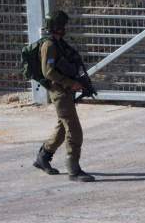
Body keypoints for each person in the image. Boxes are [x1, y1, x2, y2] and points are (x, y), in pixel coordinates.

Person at [32, 10, 95, 182]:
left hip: (65, 90)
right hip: (59, 91)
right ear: (57, 26)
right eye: (62, 25)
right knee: (74, 130)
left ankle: (43, 157)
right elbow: (48, 72)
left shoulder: (59, 43)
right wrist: (70, 82)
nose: (65, 28)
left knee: (62, 126)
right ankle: (73, 169)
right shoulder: (49, 45)